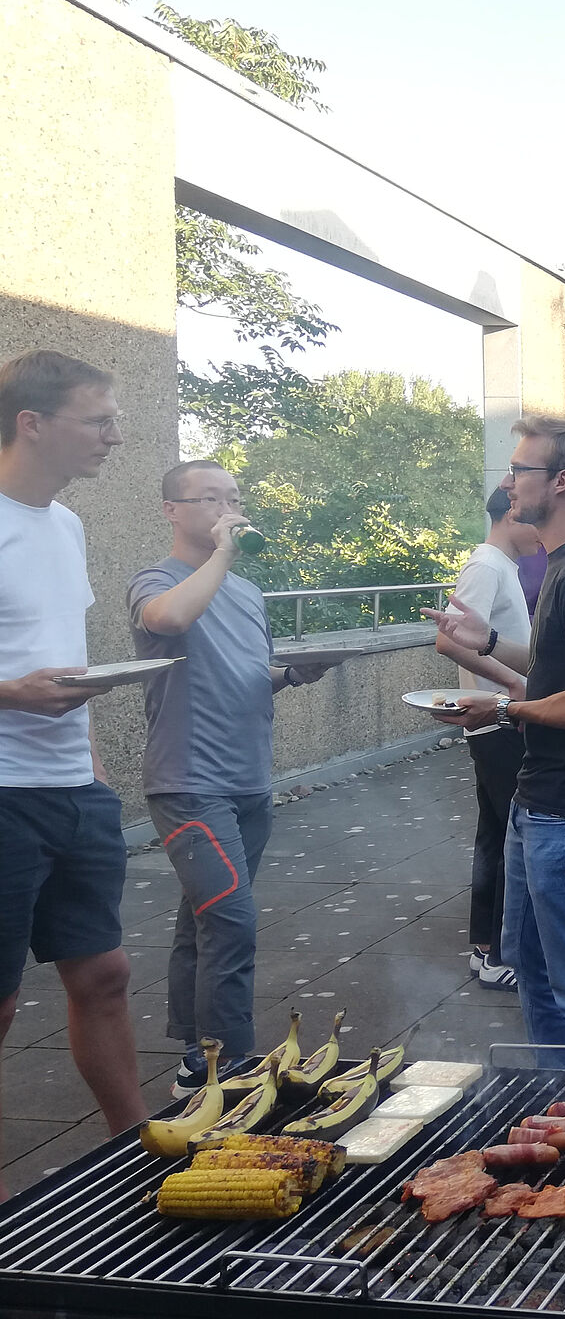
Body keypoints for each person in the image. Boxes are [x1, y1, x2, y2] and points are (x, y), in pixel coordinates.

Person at [429, 416, 565, 1074]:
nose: (508, 481)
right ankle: (560, 1106)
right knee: (532, 967)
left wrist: (505, 708)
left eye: (521, 469)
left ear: (563, 481)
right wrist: (484, 641)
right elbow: (555, 665)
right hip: (541, 804)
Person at [129, 460, 342, 1094]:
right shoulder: (155, 581)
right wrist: (221, 556)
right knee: (231, 920)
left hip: (250, 781)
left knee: (206, 913)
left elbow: (254, 675)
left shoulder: (248, 595)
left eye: (236, 499)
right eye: (212, 500)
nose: (231, 511)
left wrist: (298, 672)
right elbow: (168, 622)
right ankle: (235, 1065)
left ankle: (197, 1061)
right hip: (188, 781)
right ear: (172, 509)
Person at [0, 350, 145, 1203]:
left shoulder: (67, 525)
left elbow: (60, 650)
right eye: (99, 420)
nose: (114, 437)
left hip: (72, 793)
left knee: (105, 977)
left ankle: (137, 1149)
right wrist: (9, 694)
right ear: (32, 422)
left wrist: (89, 766)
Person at [438, 486, 541, 991]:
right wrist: (513, 685)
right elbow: (447, 638)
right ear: (510, 516)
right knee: (509, 838)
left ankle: (486, 946)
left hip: (499, 716)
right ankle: (499, 952)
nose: (540, 531)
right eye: (532, 519)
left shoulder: (503, 565)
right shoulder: (487, 566)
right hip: (498, 721)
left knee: (496, 834)